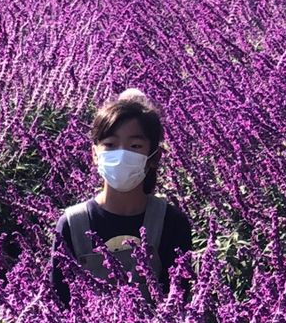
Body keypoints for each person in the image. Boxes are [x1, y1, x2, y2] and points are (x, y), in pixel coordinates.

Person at [54, 89, 193, 303]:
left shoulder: (171, 222)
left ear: (154, 156)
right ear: (94, 154)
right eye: (110, 144)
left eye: (135, 146)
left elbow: (181, 303)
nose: (121, 155)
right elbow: (58, 303)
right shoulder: (73, 224)